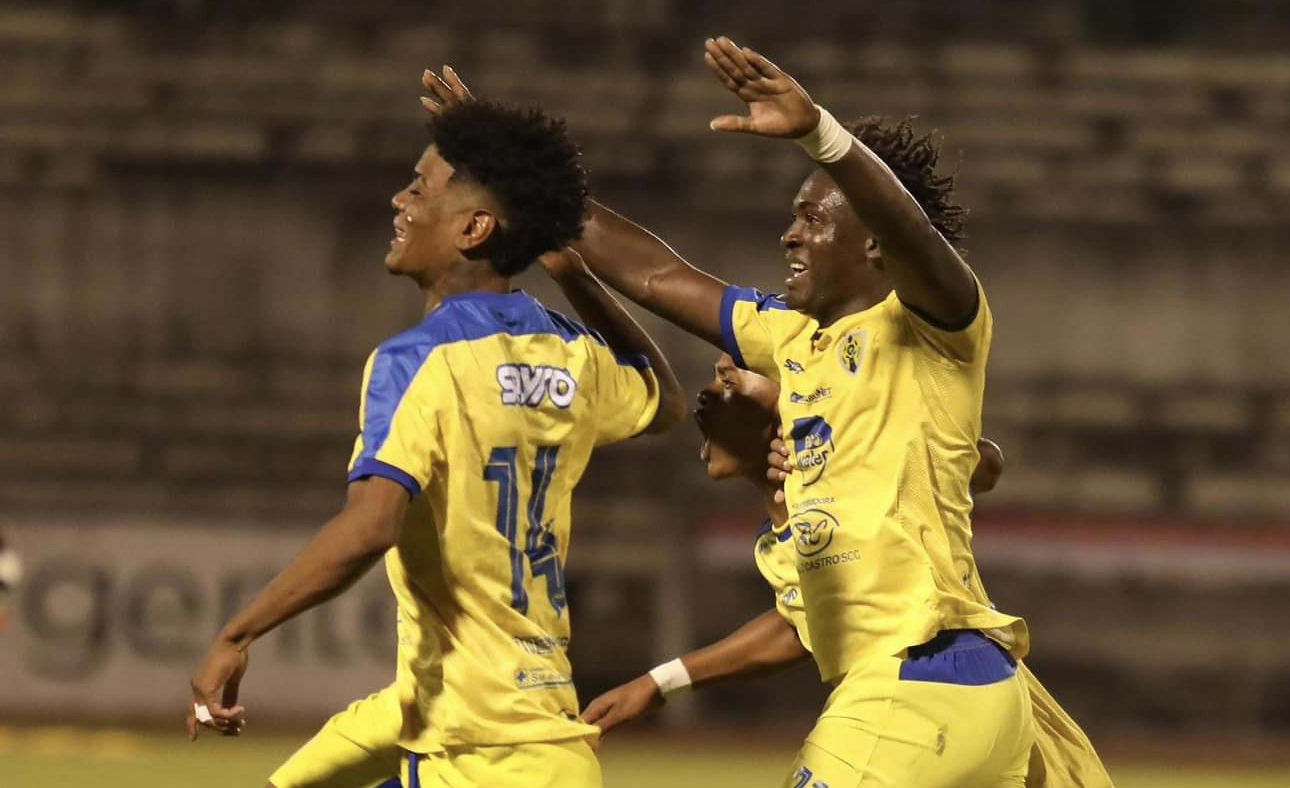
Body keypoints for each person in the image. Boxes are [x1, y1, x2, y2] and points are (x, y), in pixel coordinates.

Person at [424, 35, 1032, 786]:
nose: (790, 233)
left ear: (875, 245)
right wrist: (508, 168)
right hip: (951, 693)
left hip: (917, 687)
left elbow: (913, 234)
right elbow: (655, 274)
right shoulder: (791, 339)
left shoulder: (938, 320)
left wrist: (823, 135)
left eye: (812, 219)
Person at [185, 99, 686, 788]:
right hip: (497, 724)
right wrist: (574, 277)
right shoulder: (572, 355)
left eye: (420, 189)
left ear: (474, 228)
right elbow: (664, 400)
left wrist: (235, 634)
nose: (400, 200)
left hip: (481, 750)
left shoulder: (417, 360)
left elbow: (371, 526)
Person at [582, 356, 1114, 788]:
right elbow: (797, 628)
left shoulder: (849, 471)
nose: (710, 393)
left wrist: (821, 419)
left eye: (728, 379)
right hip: (974, 698)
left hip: (926, 683)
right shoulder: (784, 533)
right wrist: (660, 682)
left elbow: (985, 461)